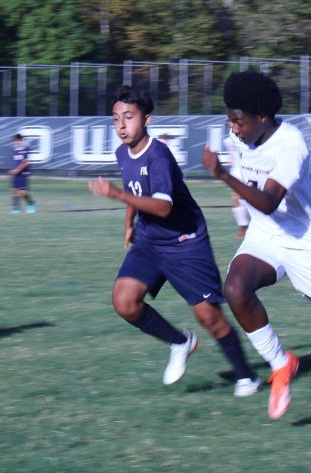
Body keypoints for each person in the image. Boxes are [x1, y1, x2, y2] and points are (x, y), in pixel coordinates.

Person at [89, 85, 260, 397]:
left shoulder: (159, 155)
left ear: (148, 120)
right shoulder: (122, 153)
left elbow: (163, 207)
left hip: (185, 242)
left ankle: (246, 376)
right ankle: (180, 342)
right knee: (124, 301)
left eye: (128, 117)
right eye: (115, 119)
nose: (121, 125)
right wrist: (128, 223)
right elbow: (136, 190)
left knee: (209, 316)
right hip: (149, 241)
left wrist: (115, 194)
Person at [202, 70, 311, 419]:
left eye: (238, 121)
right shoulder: (240, 136)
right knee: (235, 288)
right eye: (229, 120)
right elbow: (260, 210)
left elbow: (267, 201)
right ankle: (281, 365)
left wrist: (223, 175)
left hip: (303, 242)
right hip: (265, 234)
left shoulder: (291, 144)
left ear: (262, 117)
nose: (232, 129)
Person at [224, 132, 250, 237]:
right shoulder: (227, 140)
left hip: (248, 172)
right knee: (236, 198)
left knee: (245, 198)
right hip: (235, 172)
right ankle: (244, 227)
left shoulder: (247, 138)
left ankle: (248, 226)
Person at [9, 133, 37, 214]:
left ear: (21, 140)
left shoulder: (26, 150)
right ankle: (16, 208)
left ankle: (31, 204)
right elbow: (16, 162)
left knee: (23, 192)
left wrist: (17, 170)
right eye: (15, 141)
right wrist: (14, 170)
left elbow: (26, 162)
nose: (16, 142)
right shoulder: (15, 150)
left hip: (24, 172)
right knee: (14, 190)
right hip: (16, 173)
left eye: (18, 141)